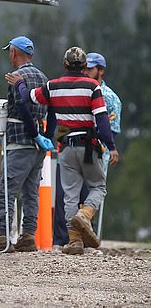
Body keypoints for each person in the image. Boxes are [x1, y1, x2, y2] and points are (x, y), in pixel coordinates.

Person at [7, 46, 119, 255]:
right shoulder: (92, 86)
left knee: (70, 194)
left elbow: (29, 96)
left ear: (65, 64)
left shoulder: (53, 86)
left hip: (65, 147)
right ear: (84, 66)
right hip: (88, 146)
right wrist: (111, 146)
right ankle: (85, 214)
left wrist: (20, 83)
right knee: (98, 186)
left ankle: (74, 240)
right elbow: (102, 121)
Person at [52, 52, 122, 245]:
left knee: (85, 194)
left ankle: (79, 237)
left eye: (90, 68)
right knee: (67, 197)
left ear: (101, 71)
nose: (86, 71)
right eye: (85, 68)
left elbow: (111, 130)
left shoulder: (110, 98)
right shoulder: (75, 89)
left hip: (94, 151)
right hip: (72, 147)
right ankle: (65, 240)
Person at [0, 36, 54, 253]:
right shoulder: (44, 78)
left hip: (20, 141)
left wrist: (32, 133)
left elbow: (21, 106)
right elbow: (53, 109)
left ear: (14, 53)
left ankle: (2, 237)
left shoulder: (15, 77)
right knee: (31, 192)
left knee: (6, 190)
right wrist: (46, 134)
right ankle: (29, 235)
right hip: (38, 147)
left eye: (9, 52)